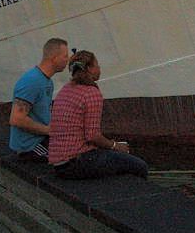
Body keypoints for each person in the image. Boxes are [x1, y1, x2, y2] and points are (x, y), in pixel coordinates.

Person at [48, 51, 148, 179]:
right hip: (76, 162)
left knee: (113, 159)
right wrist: (115, 145)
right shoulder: (91, 93)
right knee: (140, 166)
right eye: (97, 65)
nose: (99, 68)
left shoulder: (66, 89)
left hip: (59, 164)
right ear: (89, 69)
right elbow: (92, 136)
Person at [9, 38, 70, 161]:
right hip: (30, 146)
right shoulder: (31, 81)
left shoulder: (47, 81)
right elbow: (16, 119)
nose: (68, 60)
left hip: (42, 138)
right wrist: (49, 130)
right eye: (65, 56)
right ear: (54, 58)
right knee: (68, 159)